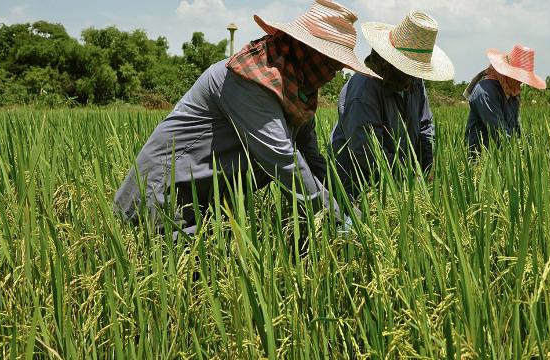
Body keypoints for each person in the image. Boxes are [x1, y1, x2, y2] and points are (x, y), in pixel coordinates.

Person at [114, 0, 375, 234]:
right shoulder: (252, 81)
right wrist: (338, 220)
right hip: (166, 195)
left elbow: (310, 156)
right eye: (330, 64)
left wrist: (346, 202)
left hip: (207, 200)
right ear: (305, 50)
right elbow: (284, 161)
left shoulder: (298, 92)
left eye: (339, 67)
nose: (332, 75)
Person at [330, 10, 454, 198]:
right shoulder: (364, 90)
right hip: (356, 185)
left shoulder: (413, 81)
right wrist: (410, 180)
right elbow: (369, 151)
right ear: (391, 62)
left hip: (398, 180)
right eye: (408, 69)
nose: (413, 77)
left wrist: (427, 169)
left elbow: (424, 126)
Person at [464, 44, 546, 154]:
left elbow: (516, 129)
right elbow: (500, 134)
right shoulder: (485, 91)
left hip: (503, 157)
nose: (521, 82)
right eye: (518, 77)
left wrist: (535, 148)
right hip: (481, 159)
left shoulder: (513, 92)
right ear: (508, 73)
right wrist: (525, 153)